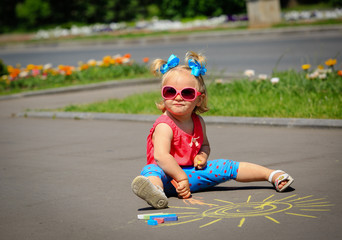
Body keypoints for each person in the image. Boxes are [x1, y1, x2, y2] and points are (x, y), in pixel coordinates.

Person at [131, 51, 294, 209]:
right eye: (170, 92)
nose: (178, 97)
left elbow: (205, 146)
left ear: (199, 99)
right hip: (167, 178)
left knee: (226, 166)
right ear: (163, 95)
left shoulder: (198, 121)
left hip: (191, 175)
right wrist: (180, 178)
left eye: (187, 93)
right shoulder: (164, 125)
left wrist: (202, 156)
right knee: (150, 170)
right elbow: (161, 157)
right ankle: (155, 192)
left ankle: (271, 175)